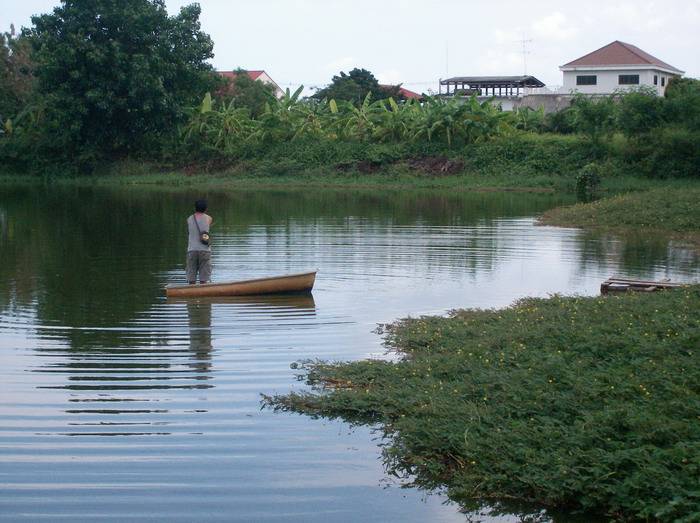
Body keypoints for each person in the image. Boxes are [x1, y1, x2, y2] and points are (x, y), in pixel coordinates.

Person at [186, 199, 213, 284]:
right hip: (204, 250)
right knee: (204, 279)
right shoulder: (208, 218)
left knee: (191, 278)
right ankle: (203, 293)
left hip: (192, 250)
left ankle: (191, 292)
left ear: (195, 208)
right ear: (206, 209)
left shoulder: (189, 219)